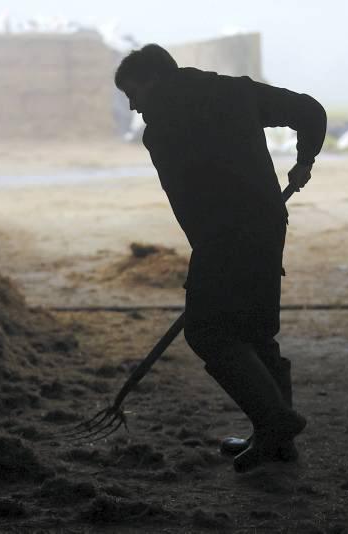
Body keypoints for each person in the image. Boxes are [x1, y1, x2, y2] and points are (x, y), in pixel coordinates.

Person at [114, 44, 326, 472]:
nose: (134, 106)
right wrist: (304, 162)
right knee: (256, 331)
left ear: (155, 79)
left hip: (223, 239)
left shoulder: (163, 126)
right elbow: (310, 111)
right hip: (265, 224)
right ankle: (276, 440)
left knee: (207, 331)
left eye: (134, 93)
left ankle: (275, 422)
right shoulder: (233, 92)